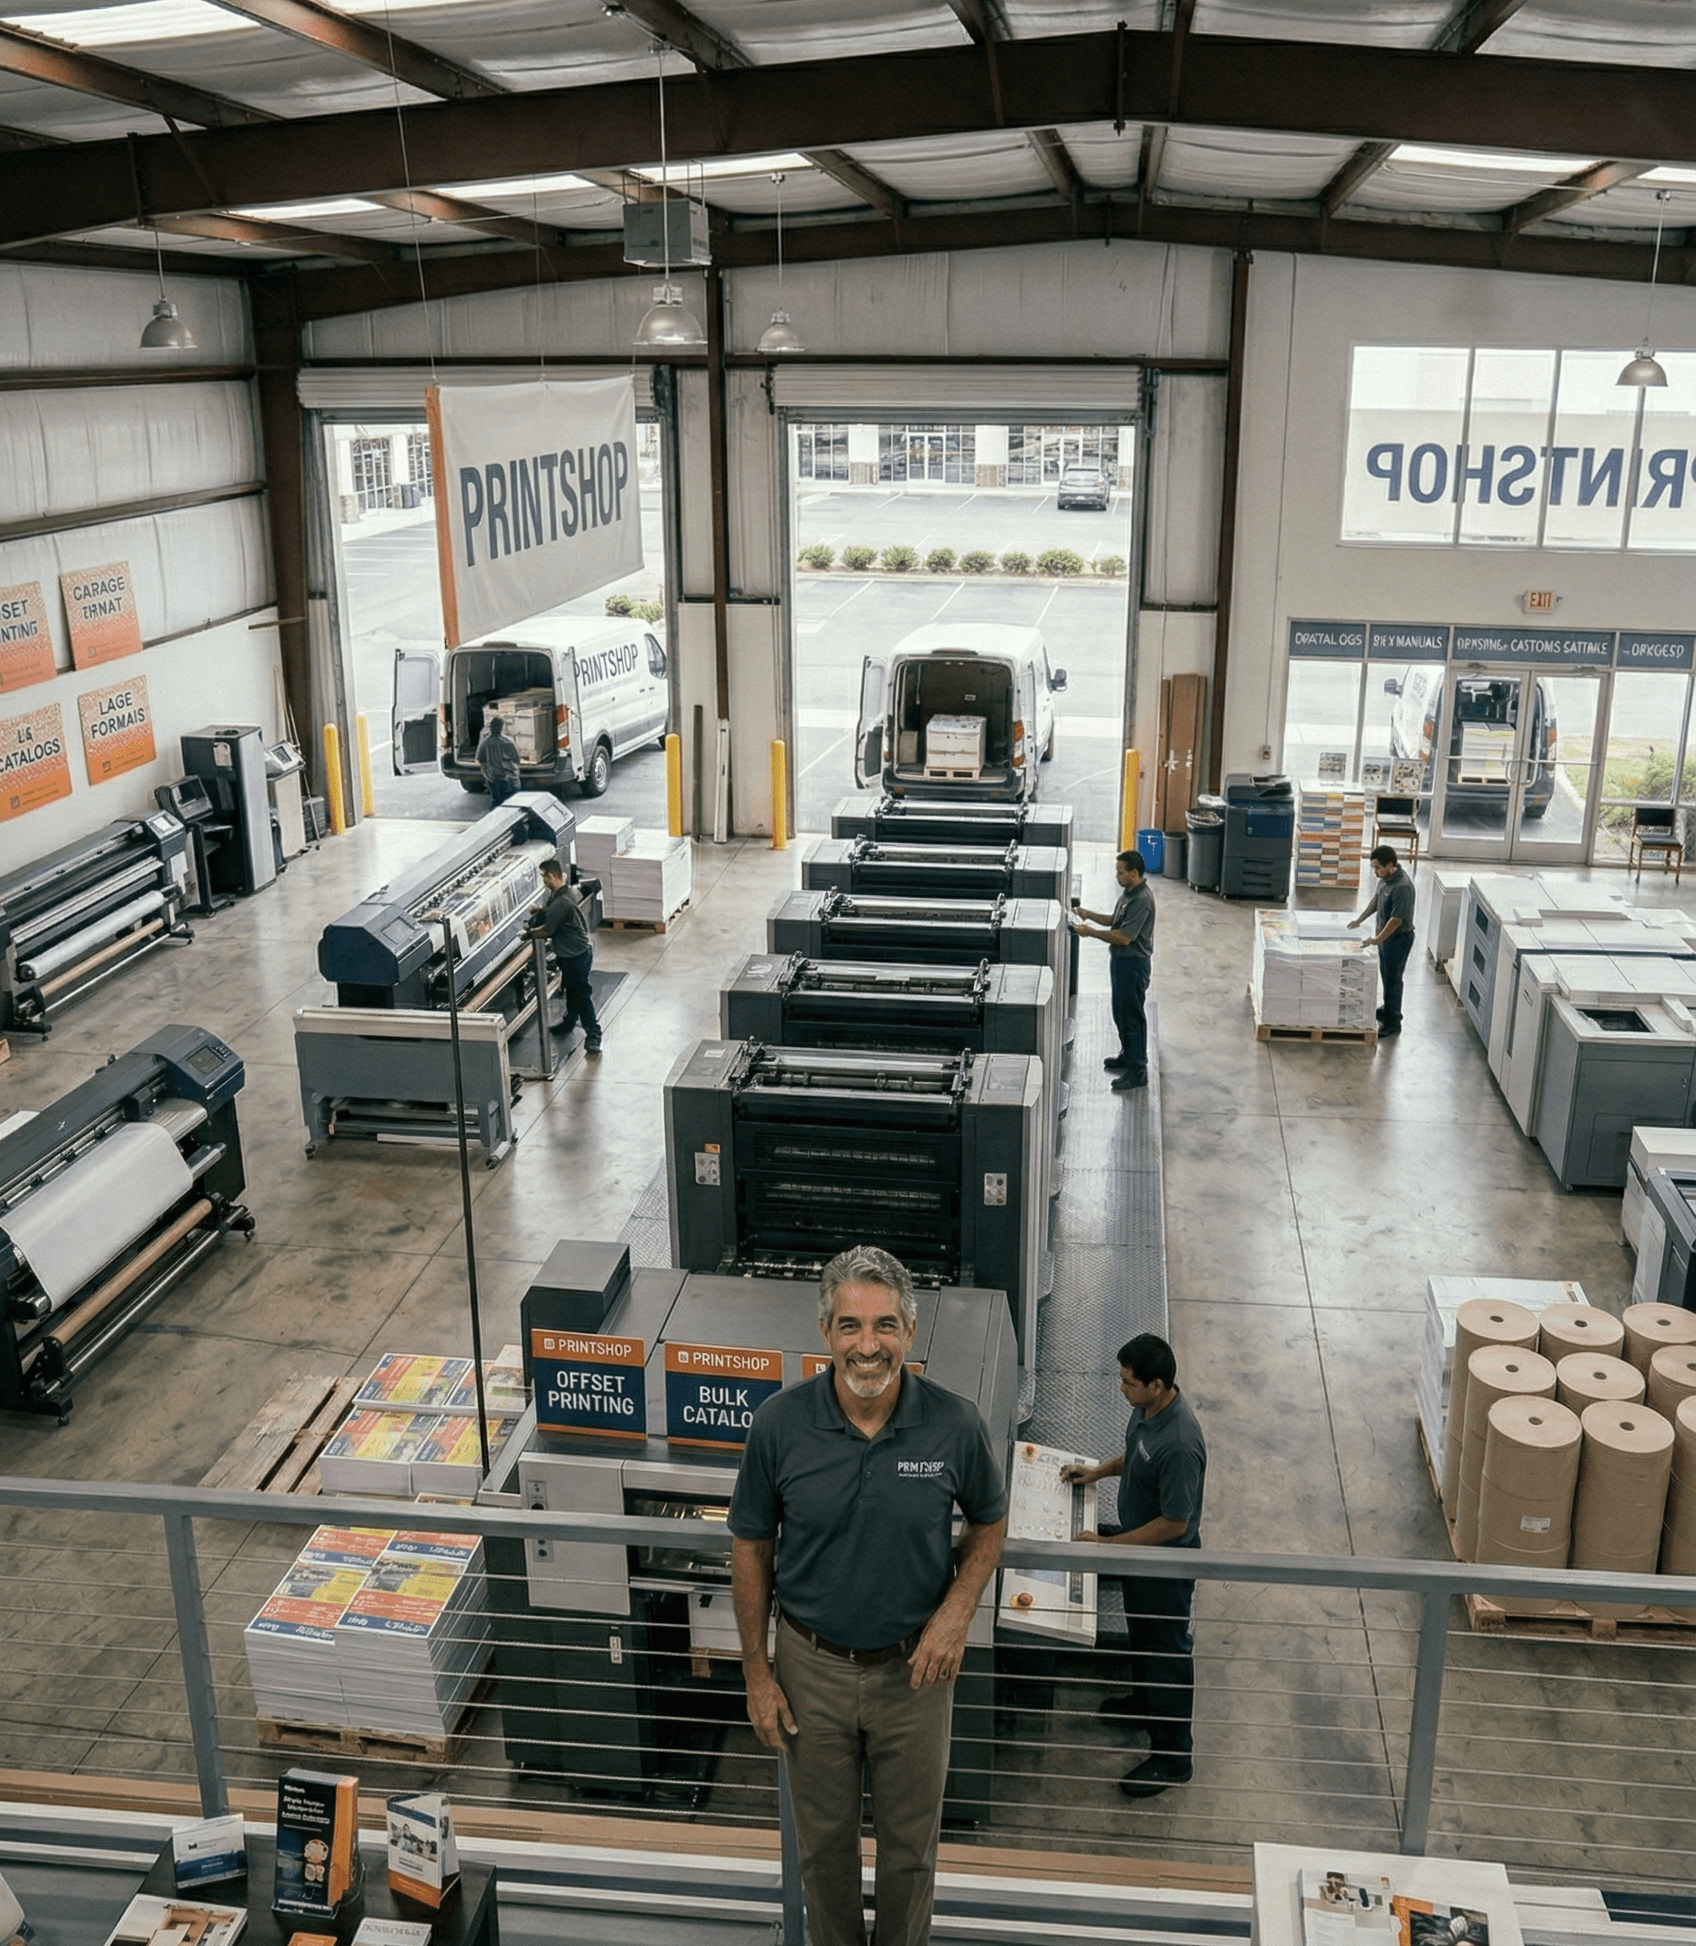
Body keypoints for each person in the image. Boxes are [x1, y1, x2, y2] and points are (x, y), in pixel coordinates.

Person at [730, 1245, 1007, 1946]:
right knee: (823, 1853)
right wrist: (757, 1671)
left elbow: (990, 1519)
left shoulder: (956, 1424)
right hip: (808, 1672)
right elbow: (751, 1547)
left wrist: (956, 1612)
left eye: (885, 1325)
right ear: (826, 1334)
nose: (867, 1345)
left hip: (916, 1677)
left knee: (911, 1856)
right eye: (850, 1326)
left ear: (910, 1333)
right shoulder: (778, 1425)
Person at [1061, 1332, 1206, 1800]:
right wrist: (1101, 1470)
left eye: (1128, 1383)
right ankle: (1145, 1706)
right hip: (1138, 1557)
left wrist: (1110, 1545)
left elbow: (1175, 1523)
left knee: (1167, 1656)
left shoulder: (1181, 1443)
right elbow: (1138, 1457)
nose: (1121, 1390)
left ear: (1158, 1384)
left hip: (1163, 1566)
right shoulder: (1146, 1410)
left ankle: (1172, 1758)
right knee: (1142, 1639)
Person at [1071, 849, 1155, 1092]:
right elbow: (1114, 921)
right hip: (1121, 964)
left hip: (1133, 965)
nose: (1116, 877)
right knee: (1120, 1013)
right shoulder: (1129, 894)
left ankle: (1138, 1069)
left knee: (1132, 1017)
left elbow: (1123, 937)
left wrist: (1090, 932)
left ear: (1134, 873)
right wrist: (1088, 914)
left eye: (1120, 873)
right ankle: (1128, 1055)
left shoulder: (1142, 901)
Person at [527, 855, 601, 1051]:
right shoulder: (563, 892)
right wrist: (540, 910)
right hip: (575, 953)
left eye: (544, 877)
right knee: (571, 987)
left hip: (575, 955)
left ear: (553, 876)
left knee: (581, 993)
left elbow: (547, 931)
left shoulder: (562, 901)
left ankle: (594, 1034)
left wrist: (526, 935)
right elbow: (552, 911)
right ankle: (570, 1021)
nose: (543, 881)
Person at [1348, 842, 1416, 1038]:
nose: (1375, 872)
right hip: (1385, 939)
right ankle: (1388, 1008)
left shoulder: (1402, 887)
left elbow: (1396, 921)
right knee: (1386, 976)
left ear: (1391, 865)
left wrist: (1377, 939)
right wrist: (1359, 919)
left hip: (1398, 940)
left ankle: (1393, 1021)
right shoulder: (1384, 880)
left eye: (1378, 868)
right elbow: (1376, 901)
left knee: (1394, 980)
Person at [476, 712, 521, 806]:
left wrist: (486, 776)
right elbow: (517, 759)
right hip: (510, 779)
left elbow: (480, 760)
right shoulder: (508, 742)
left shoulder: (485, 743)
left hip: (495, 779)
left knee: (497, 804)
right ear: (502, 728)